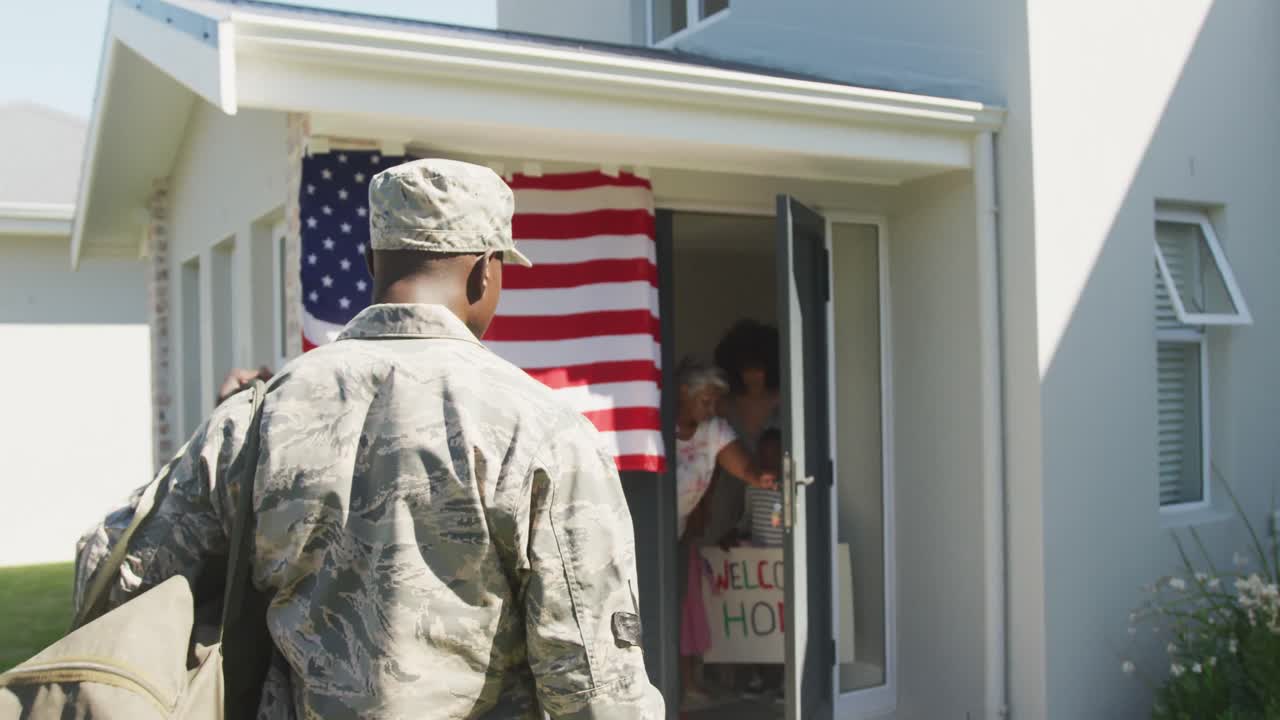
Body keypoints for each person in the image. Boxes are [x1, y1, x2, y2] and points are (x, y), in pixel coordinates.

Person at [73, 159, 664, 720]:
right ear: (485, 270)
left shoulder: (256, 418)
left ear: (369, 259)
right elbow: (597, 686)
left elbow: (110, 569)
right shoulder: (542, 431)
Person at [672, 356, 775, 709]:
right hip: (645, 534)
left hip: (680, 534)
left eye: (717, 402)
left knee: (681, 609)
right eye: (706, 400)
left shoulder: (713, 430)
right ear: (683, 393)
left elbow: (743, 466)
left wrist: (759, 477)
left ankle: (683, 687)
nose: (712, 409)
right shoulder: (656, 426)